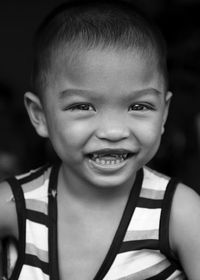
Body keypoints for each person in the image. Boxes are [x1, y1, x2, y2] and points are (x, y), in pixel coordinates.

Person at [0, 1, 200, 279]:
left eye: (139, 107)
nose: (114, 131)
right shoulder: (13, 204)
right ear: (40, 116)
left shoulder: (181, 212)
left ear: (164, 113)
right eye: (82, 107)